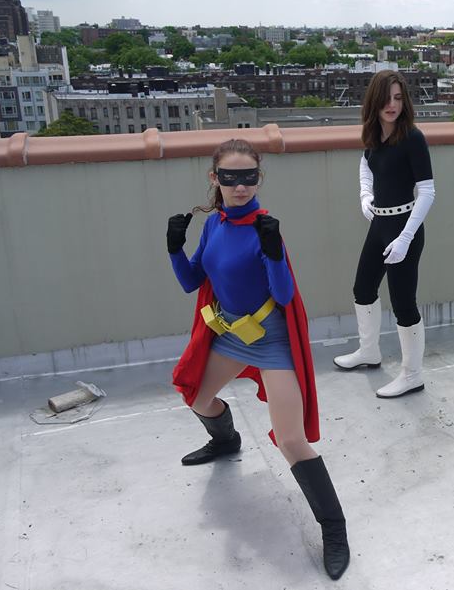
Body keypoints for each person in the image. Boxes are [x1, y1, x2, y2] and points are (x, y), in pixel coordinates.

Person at [166, 139, 349, 580]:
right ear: (215, 179)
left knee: (290, 440)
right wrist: (174, 248)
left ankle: (334, 528)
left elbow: (283, 294)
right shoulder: (213, 224)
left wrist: (273, 253)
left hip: (272, 341)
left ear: (258, 178)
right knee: (197, 397)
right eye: (230, 177)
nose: (240, 186)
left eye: (248, 177)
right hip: (231, 335)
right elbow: (192, 281)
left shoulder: (265, 228)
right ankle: (226, 440)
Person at [333, 70, 436, 399]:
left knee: (404, 303)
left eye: (398, 98)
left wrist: (405, 238)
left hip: (405, 227)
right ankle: (369, 351)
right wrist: (365, 194)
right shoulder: (374, 135)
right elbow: (366, 163)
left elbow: (428, 192)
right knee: (363, 289)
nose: (392, 105)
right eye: (386, 98)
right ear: (374, 101)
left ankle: (412, 375)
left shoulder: (413, 138)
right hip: (379, 225)